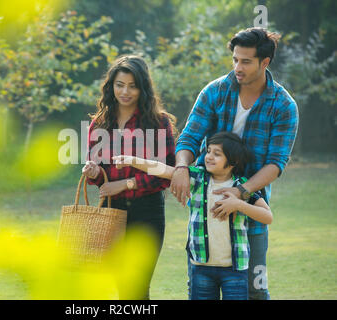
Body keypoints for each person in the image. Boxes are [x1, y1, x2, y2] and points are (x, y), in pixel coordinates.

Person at [171, 27, 299, 300]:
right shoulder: (214, 92)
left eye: (246, 61)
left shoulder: (283, 105)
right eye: (235, 59)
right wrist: (182, 167)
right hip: (208, 213)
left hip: (251, 213)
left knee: (255, 290)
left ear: (265, 63)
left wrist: (241, 193)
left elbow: (276, 163)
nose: (237, 67)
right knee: (200, 289)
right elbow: (189, 138)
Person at [113, 131, 273, 300]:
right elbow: (165, 170)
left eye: (217, 154)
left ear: (233, 161)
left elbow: (267, 216)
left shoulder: (241, 188)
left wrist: (239, 204)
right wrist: (133, 160)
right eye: (209, 151)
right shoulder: (196, 178)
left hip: (235, 270)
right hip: (200, 268)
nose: (209, 157)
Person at [81, 55, 177, 299]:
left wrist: (125, 184)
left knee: (136, 287)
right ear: (111, 86)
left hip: (148, 212)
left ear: (143, 88)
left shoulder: (158, 122)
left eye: (132, 86)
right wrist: (93, 172)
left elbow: (166, 173)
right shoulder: (99, 123)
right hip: (112, 211)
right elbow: (101, 177)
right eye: (119, 84)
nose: (125, 91)